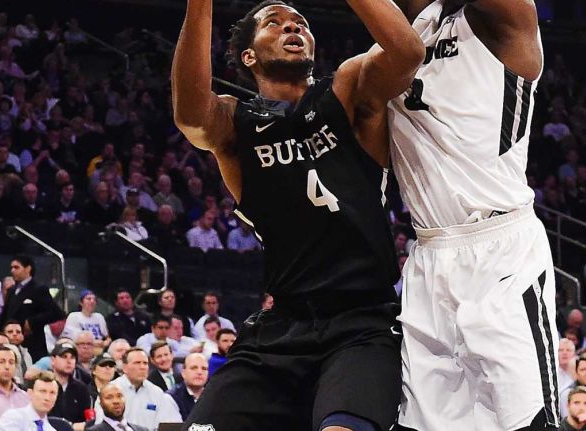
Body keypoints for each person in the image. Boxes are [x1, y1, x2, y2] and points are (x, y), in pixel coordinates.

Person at [171, 0, 423, 429]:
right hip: (279, 328)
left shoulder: (344, 90)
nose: (292, 27)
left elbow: (407, 52)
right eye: (275, 23)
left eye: (300, 23)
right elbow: (190, 114)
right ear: (248, 56)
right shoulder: (236, 122)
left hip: (363, 324)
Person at [387, 0, 554, 427]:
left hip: (501, 250)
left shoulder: (507, 18)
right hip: (428, 253)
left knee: (527, 418)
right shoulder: (398, 38)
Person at [0, 255, 65, 361]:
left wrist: (32, 322)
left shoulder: (39, 289)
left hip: (33, 344)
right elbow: (5, 314)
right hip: (10, 343)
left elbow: (56, 313)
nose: (12, 271)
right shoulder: (11, 290)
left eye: (16, 267)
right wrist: (0, 330)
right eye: (11, 268)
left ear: (28, 268)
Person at [97, 348, 180, 431]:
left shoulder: (156, 392)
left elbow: (164, 424)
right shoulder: (110, 390)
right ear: (124, 367)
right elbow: (100, 422)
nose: (142, 367)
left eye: (145, 363)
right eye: (137, 363)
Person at [84, 383, 150, 431]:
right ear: (101, 404)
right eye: (109, 398)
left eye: (119, 396)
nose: (116, 401)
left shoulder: (143, 429)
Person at [167, 353, 208, 420]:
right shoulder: (171, 397)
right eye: (194, 368)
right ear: (183, 373)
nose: (200, 372)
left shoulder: (214, 396)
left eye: (204, 368)